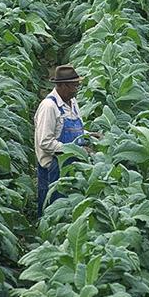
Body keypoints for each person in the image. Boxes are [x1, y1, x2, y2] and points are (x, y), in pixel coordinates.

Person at [34, 64, 87, 218]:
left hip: (72, 165)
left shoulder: (72, 102)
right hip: (54, 168)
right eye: (74, 86)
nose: (77, 89)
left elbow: (75, 130)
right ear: (62, 86)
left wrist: (89, 135)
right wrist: (76, 150)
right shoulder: (49, 107)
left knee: (69, 211)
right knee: (52, 213)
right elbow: (45, 142)